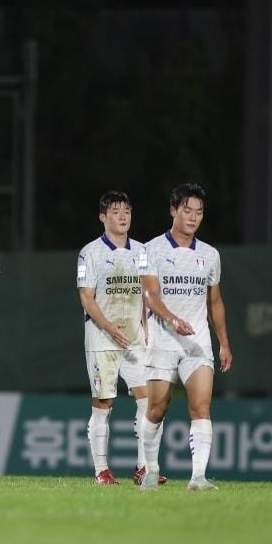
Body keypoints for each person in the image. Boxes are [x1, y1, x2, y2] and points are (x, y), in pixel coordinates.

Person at [137, 183, 232, 491]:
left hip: (197, 341)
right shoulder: (150, 250)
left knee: (201, 404)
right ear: (173, 211)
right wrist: (172, 320)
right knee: (156, 409)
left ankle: (198, 477)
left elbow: (214, 301)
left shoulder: (210, 255)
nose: (193, 218)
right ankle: (150, 469)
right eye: (187, 210)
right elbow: (150, 295)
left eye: (199, 212)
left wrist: (224, 343)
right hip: (163, 339)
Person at [77, 191, 166, 486]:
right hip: (102, 337)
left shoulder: (142, 252)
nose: (123, 216)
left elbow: (147, 293)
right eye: (115, 211)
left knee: (149, 401)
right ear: (103, 217)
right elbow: (86, 298)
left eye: (126, 210)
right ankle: (101, 471)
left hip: (135, 338)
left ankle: (144, 467)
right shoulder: (89, 253)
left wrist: (147, 328)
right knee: (103, 403)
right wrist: (108, 326)